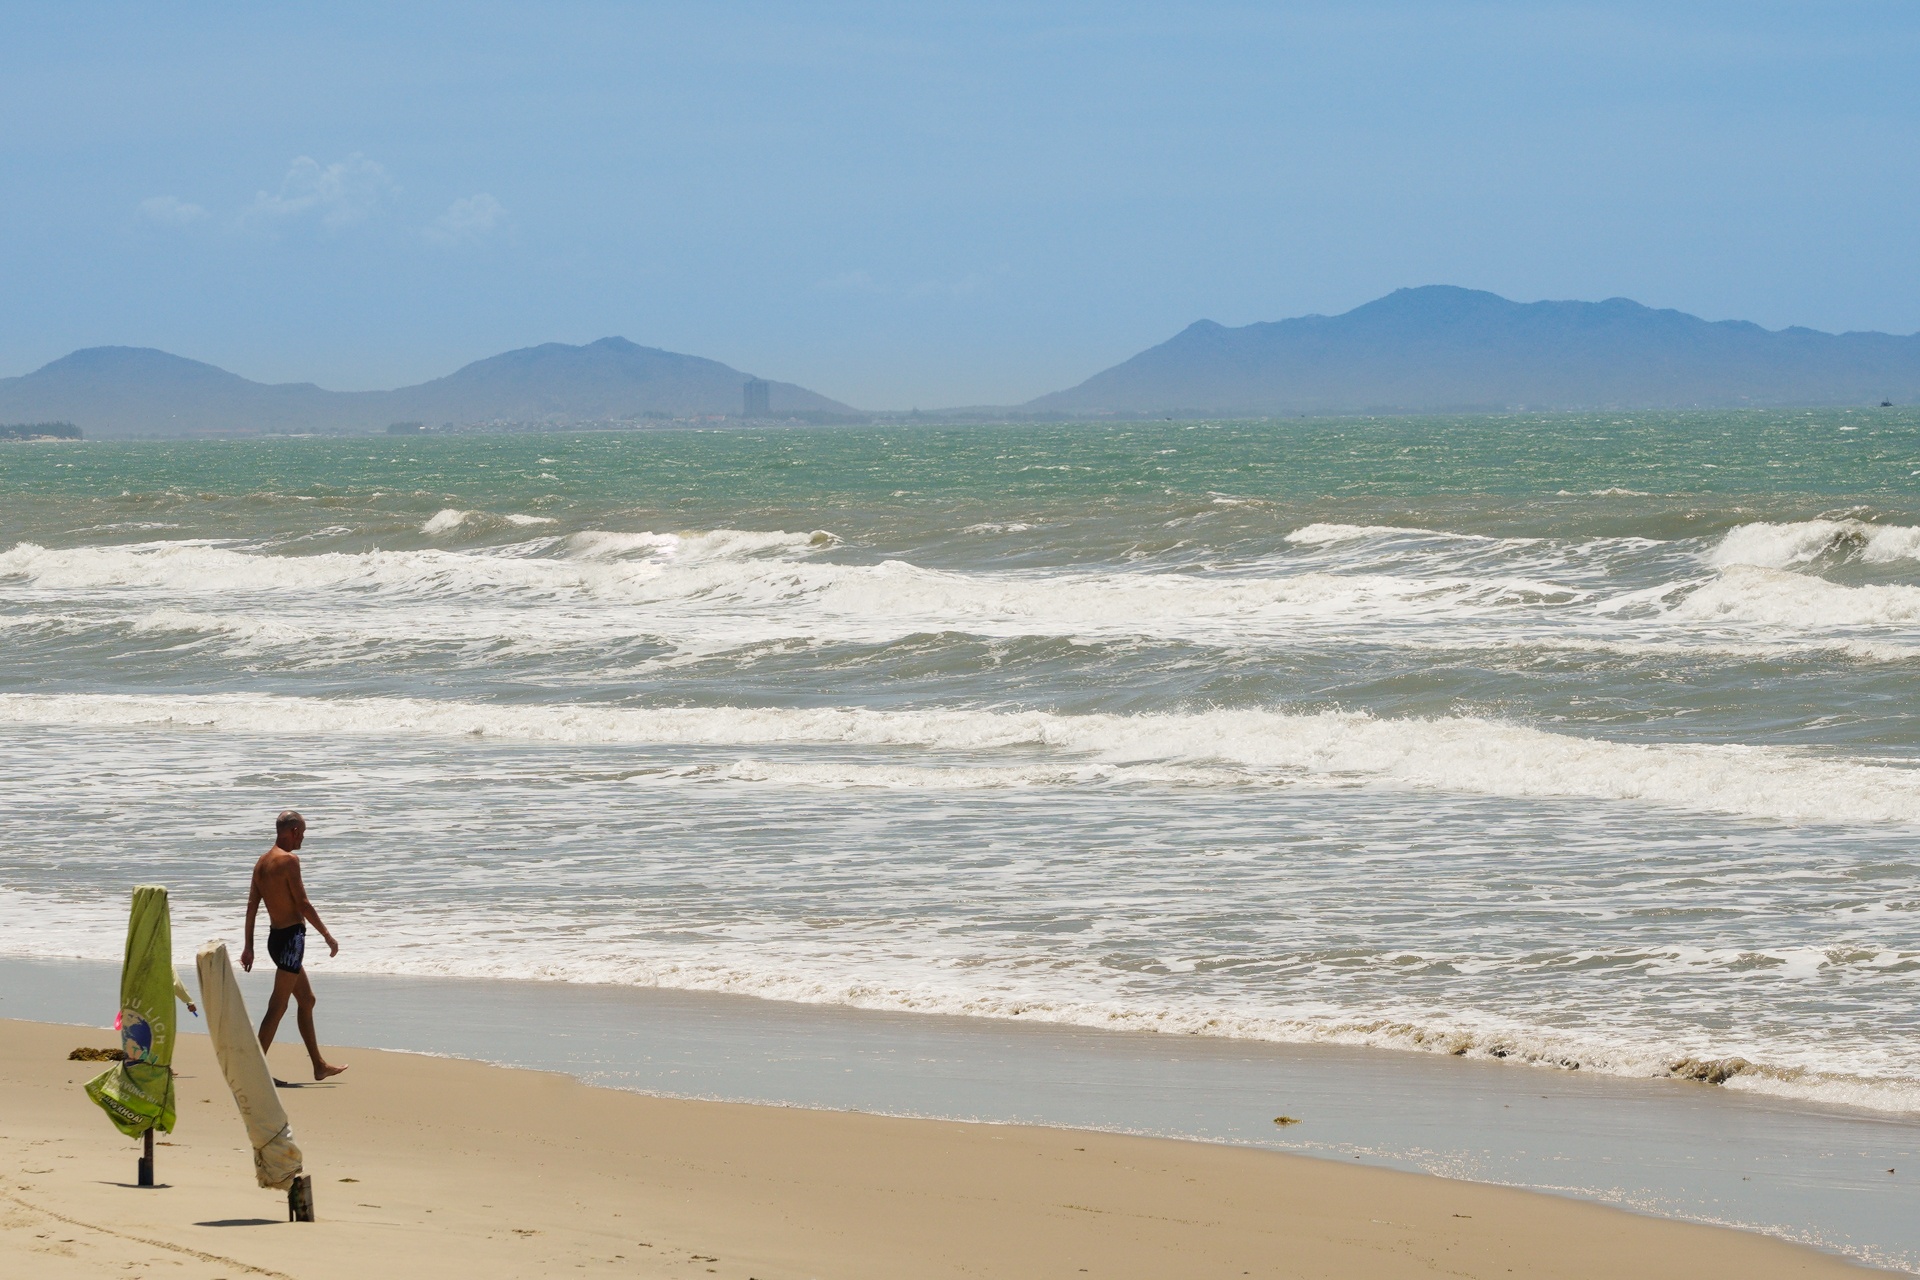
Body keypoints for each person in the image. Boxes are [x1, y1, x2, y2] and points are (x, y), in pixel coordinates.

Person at [240, 810, 348, 1081]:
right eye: (302, 833)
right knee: (278, 1006)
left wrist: (248, 946)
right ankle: (255, 1073)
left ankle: (318, 1065)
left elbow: (252, 907)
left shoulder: (261, 863)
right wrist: (327, 935)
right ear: (293, 831)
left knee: (307, 1000)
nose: (303, 839)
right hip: (291, 941)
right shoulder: (289, 860)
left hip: (275, 940)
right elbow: (303, 904)